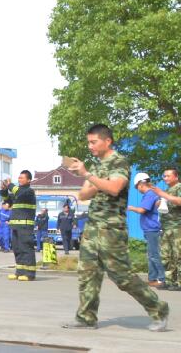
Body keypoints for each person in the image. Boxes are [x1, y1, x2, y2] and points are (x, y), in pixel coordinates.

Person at [63, 124, 169, 332]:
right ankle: (86, 318)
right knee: (87, 274)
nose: (90, 146)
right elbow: (83, 195)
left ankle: (159, 309)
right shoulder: (97, 167)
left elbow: (114, 188)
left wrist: (89, 176)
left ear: (107, 141)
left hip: (111, 229)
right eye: (88, 142)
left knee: (122, 276)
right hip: (93, 227)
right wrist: (91, 178)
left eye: (93, 142)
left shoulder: (119, 161)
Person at [128, 173, 166, 288]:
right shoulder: (152, 194)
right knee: (151, 255)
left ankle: (161, 279)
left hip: (153, 229)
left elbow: (142, 210)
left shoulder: (150, 194)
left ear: (141, 184)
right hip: (150, 229)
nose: (137, 189)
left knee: (154, 255)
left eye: (137, 187)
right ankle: (152, 278)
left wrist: (130, 208)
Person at [1, 170, 37, 281]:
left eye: (22, 178)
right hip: (16, 226)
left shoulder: (29, 192)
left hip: (25, 226)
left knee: (26, 249)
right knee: (17, 249)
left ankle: (29, 274)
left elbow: (18, 192)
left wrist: (10, 185)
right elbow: (7, 200)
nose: (19, 179)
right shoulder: (17, 193)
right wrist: (4, 190)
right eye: (19, 177)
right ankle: (19, 272)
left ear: (29, 180)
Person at [150, 168, 181, 291]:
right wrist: (159, 202)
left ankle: (179, 282)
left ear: (176, 177)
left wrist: (163, 194)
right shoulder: (168, 190)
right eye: (164, 176)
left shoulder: (179, 187)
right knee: (166, 256)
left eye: (168, 176)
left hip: (177, 227)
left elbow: (179, 201)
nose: (165, 178)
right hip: (166, 227)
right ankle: (169, 280)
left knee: (178, 255)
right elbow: (166, 201)